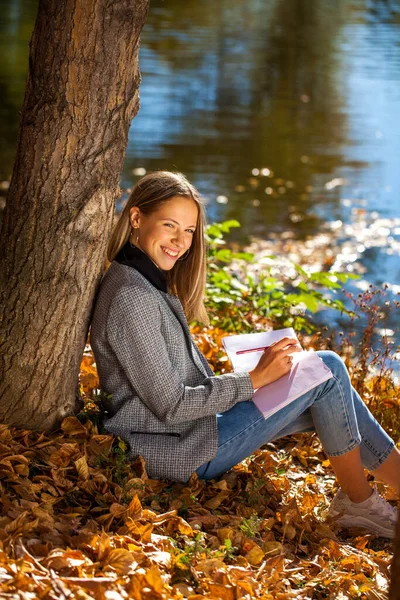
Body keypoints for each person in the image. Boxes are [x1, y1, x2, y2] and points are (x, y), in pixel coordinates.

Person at [90, 171, 400, 539]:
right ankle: (358, 503)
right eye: (170, 225)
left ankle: (362, 501)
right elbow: (170, 406)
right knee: (328, 371)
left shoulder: (144, 279)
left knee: (325, 378)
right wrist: (254, 380)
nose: (180, 241)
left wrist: (259, 368)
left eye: (189, 230)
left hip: (191, 428)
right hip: (182, 448)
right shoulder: (132, 296)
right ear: (137, 218)